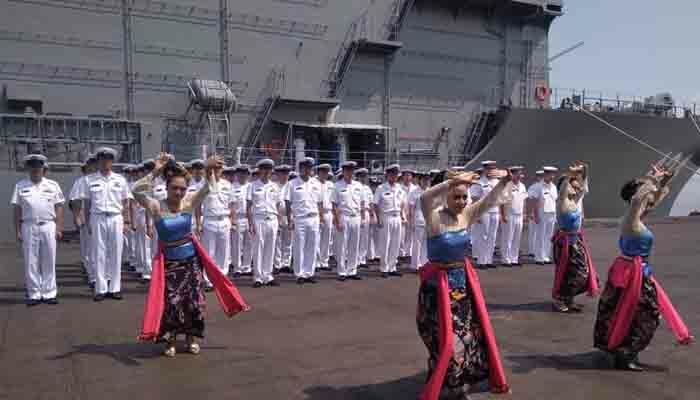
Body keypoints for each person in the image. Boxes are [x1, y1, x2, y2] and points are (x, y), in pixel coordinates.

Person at [135, 153, 249, 357]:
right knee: (171, 302)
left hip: (191, 262)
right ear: (167, 187)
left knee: (194, 302)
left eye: (182, 189)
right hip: (169, 264)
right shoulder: (155, 206)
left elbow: (207, 188)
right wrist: (156, 171)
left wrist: (208, 168)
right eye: (174, 188)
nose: (178, 192)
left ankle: (191, 338)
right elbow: (136, 191)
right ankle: (170, 339)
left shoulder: (189, 202)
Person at [417, 169, 511, 400]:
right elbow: (425, 198)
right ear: (446, 196)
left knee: (464, 336)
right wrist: (455, 181)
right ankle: (444, 377)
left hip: (461, 287)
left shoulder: (466, 215)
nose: (461, 201)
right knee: (442, 337)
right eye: (456, 196)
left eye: (464, 197)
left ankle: (458, 383)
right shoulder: (434, 216)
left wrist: (506, 180)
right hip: (436, 288)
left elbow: (489, 200)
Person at [593, 163, 692, 370]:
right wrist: (651, 180)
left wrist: (664, 179)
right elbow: (640, 198)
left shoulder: (635, 218)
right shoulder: (631, 219)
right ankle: (626, 354)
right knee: (646, 313)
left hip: (634, 271)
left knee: (626, 312)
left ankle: (623, 350)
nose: (647, 199)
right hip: (633, 273)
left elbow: (650, 200)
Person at [74, 147, 133, 301]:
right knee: (98, 253)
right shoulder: (90, 180)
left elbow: (125, 201)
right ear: (98, 161)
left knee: (116, 252)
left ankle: (115, 288)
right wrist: (87, 223)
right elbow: (87, 203)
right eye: (102, 160)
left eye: (108, 160)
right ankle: (100, 288)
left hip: (115, 217)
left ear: (112, 161)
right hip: (97, 217)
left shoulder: (120, 180)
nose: (105, 162)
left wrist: (127, 221)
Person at [12, 154, 65, 306]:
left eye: (39, 167)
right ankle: (34, 293)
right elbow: (17, 210)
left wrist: (59, 227)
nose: (36, 170)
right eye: (33, 167)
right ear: (28, 168)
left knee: (49, 259)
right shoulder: (20, 186)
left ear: (43, 169)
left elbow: (59, 207)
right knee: (31, 261)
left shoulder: (53, 185)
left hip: (48, 225)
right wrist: (17, 230)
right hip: (28, 225)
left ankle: (49, 292)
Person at [551, 162, 600, 312]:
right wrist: (570, 176)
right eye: (573, 185)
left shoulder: (574, 200)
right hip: (564, 243)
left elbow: (583, 186)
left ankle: (569, 299)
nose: (576, 188)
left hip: (576, 241)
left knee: (581, 272)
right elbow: (564, 190)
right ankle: (559, 299)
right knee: (566, 273)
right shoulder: (561, 202)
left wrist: (584, 170)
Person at [285, 157, 323, 284]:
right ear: (300, 169)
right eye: (305, 168)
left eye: (310, 168)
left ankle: (309, 273)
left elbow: (320, 202)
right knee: (299, 247)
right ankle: (299, 273)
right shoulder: (292, 184)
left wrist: (321, 217)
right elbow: (288, 203)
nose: (307, 170)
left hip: (314, 218)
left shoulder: (317, 184)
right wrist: (289, 219)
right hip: (300, 219)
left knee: (312, 246)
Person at [198, 156, 233, 288]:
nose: (217, 170)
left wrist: (231, 220)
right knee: (209, 253)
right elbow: (198, 205)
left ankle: (222, 278)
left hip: (224, 220)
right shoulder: (205, 183)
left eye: (219, 168)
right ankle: (208, 280)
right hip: (209, 221)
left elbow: (231, 204)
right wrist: (198, 222)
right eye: (215, 168)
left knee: (224, 252)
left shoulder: (227, 185)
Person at [247, 158, 283, 287]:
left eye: (269, 169)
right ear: (260, 170)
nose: (266, 172)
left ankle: (268, 275)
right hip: (258, 219)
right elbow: (248, 206)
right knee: (258, 248)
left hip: (272, 219)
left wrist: (278, 221)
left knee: (270, 248)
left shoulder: (275, 186)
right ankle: (257, 277)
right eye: (264, 169)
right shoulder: (252, 185)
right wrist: (250, 224)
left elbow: (278, 205)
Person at [332, 161, 364, 281]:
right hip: (343, 217)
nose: (349, 173)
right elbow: (334, 205)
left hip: (355, 217)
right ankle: (341, 271)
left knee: (354, 245)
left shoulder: (358, 186)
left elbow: (362, 203)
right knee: (342, 245)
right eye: (347, 170)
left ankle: (352, 270)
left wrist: (362, 218)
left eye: (351, 170)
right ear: (343, 172)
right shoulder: (337, 186)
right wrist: (337, 220)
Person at [372, 164, 406, 278]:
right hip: (386, 217)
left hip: (397, 218)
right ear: (388, 175)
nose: (394, 176)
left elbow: (402, 204)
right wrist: (378, 218)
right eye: (392, 174)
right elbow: (375, 204)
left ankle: (392, 267)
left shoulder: (400, 188)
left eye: (396, 174)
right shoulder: (381, 188)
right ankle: (384, 268)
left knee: (395, 243)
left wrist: (402, 216)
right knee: (385, 243)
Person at [69, 155, 97, 287]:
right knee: (90, 248)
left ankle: (104, 276)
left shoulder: (105, 179)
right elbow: (75, 201)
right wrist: (77, 217)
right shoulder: (82, 181)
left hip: (103, 218)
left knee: (105, 249)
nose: (94, 166)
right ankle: (92, 276)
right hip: (88, 219)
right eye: (92, 164)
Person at [469, 161, 501, 269]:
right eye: (488, 169)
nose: (490, 171)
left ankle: (489, 260)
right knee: (483, 236)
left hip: (495, 211)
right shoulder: (479, 183)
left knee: (492, 236)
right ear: (484, 170)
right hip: (484, 212)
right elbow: (474, 199)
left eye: (492, 169)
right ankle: (481, 260)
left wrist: (501, 212)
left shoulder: (497, 182)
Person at [499, 166, 528, 266]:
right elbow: (502, 202)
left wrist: (524, 213)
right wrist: (503, 215)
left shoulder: (523, 186)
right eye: (518, 174)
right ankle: (506, 259)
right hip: (509, 214)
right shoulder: (507, 185)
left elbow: (524, 201)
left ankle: (514, 259)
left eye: (520, 174)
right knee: (507, 238)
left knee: (517, 237)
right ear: (513, 174)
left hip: (519, 214)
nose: (520, 176)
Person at [532, 166, 558, 265]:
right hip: (542, 213)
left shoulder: (554, 187)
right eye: (550, 174)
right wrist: (536, 215)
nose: (552, 176)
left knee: (549, 236)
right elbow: (534, 201)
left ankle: (546, 256)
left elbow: (555, 201)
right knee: (540, 235)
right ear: (545, 174)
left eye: (553, 174)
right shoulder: (538, 186)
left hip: (551, 213)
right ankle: (539, 257)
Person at [231, 164, 253, 276]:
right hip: (238, 218)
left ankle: (247, 267)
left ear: (248, 175)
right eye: (240, 173)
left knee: (249, 244)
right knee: (237, 244)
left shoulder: (251, 186)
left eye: (245, 173)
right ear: (236, 174)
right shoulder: (232, 187)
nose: (243, 175)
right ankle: (237, 268)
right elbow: (230, 205)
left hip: (250, 218)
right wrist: (232, 220)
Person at [314, 163, 334, 271]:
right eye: (322, 172)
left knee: (327, 238)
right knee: (317, 238)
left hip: (329, 212)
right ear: (318, 172)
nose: (324, 174)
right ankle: (316, 262)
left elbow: (335, 200)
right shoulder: (314, 183)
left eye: (326, 172)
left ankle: (324, 261)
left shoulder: (330, 184)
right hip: (317, 213)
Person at [273, 164, 293, 274]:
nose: (284, 176)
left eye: (286, 174)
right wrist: (277, 217)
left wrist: (292, 218)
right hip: (278, 216)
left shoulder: (292, 186)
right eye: (282, 174)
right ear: (278, 174)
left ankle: (286, 263)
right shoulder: (274, 186)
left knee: (288, 241)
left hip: (289, 216)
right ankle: (277, 264)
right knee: (278, 242)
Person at [407, 171, 429, 271]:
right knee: (417, 243)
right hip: (418, 218)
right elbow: (411, 207)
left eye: (427, 180)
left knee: (426, 243)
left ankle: (424, 263)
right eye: (424, 180)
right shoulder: (415, 192)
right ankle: (415, 265)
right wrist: (411, 221)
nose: (426, 182)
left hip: (428, 220)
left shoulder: (430, 191)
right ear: (420, 181)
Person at [355, 168, 373, 268]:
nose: (363, 178)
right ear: (357, 177)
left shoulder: (367, 188)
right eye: (361, 176)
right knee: (356, 237)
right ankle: (355, 259)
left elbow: (370, 202)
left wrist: (372, 214)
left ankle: (362, 259)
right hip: (357, 213)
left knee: (365, 237)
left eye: (364, 176)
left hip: (366, 213)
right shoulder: (355, 186)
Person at [400, 169, 416, 261]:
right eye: (405, 175)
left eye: (409, 175)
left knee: (411, 234)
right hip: (402, 213)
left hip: (412, 213)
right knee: (402, 235)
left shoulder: (415, 188)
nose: (407, 177)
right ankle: (401, 253)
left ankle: (409, 253)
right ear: (402, 177)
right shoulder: (399, 187)